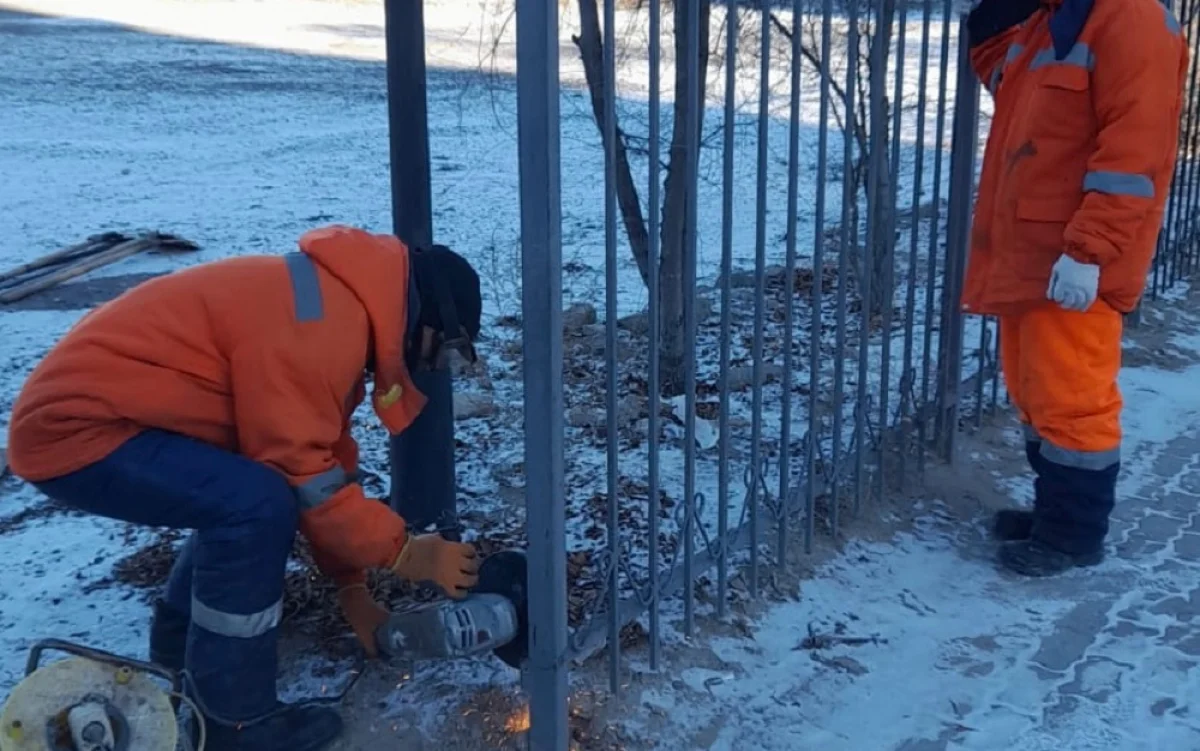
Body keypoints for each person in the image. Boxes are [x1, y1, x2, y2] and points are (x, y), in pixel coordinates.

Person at [6, 225, 485, 750]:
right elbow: (304, 478)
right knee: (255, 505)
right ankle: (235, 723)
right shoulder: (323, 326)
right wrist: (407, 553)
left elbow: (325, 460)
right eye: (446, 347)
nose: (434, 366)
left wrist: (352, 587)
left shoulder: (336, 305)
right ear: (424, 316)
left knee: (241, 493)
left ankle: (179, 652)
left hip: (101, 416)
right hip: (75, 430)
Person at [963, 0, 1188, 576]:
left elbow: (1135, 154)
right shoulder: (1057, 19)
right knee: (1037, 394)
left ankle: (1072, 537)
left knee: (1073, 402)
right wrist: (989, 23)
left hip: (1075, 259)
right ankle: (1052, 515)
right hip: (1034, 254)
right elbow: (1012, 89)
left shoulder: (1131, 19)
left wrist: (1090, 251)